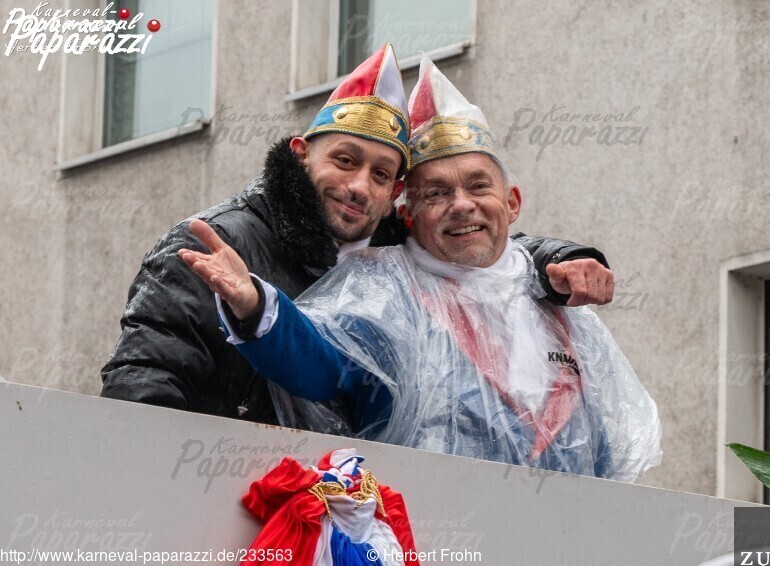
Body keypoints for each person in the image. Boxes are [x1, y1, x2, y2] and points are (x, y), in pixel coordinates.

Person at [181, 57, 661, 481]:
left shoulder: (556, 296)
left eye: (478, 186)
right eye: (435, 193)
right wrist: (256, 307)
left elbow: (604, 451)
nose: (461, 205)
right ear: (408, 214)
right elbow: (319, 366)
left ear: (512, 202)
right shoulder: (380, 290)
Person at [100, 45, 615, 427]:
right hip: (230, 503)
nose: (358, 187)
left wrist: (557, 260)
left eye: (381, 174)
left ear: (395, 195)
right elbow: (141, 393)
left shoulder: (395, 254)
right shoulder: (209, 246)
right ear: (301, 153)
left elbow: (476, 250)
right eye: (345, 161)